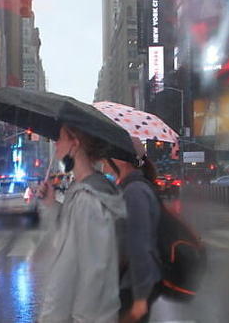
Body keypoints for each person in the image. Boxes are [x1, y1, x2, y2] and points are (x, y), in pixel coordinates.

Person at [37, 124, 128, 323]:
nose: (56, 144)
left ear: (75, 144)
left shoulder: (88, 198)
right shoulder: (82, 190)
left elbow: (71, 271)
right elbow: (73, 236)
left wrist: (49, 318)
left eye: (60, 138)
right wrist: (52, 204)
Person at [104, 144, 162, 323]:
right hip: (129, 284)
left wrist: (140, 298)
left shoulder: (134, 191)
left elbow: (139, 246)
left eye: (107, 155)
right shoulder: (127, 188)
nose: (103, 161)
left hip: (133, 287)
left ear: (121, 161)